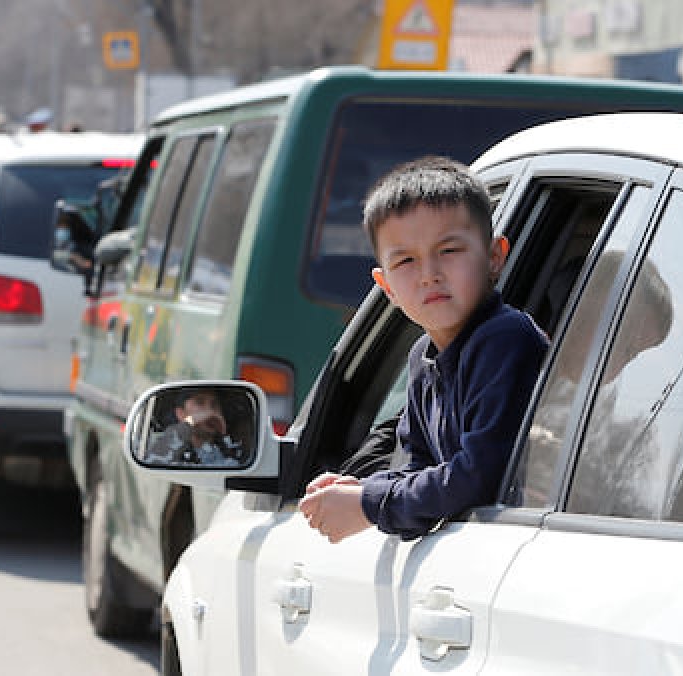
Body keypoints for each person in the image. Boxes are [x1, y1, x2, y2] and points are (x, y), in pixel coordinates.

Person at [298, 157, 549, 543]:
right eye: (406, 260)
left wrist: (369, 504)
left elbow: (479, 476)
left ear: (495, 257)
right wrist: (361, 488)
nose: (429, 273)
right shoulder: (423, 357)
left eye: (449, 250)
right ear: (387, 288)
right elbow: (419, 464)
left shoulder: (505, 339)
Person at [145, 389, 245, 467]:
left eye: (214, 404)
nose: (209, 410)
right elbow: (153, 460)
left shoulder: (234, 450)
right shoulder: (171, 449)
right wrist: (190, 422)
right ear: (180, 413)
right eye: (200, 402)